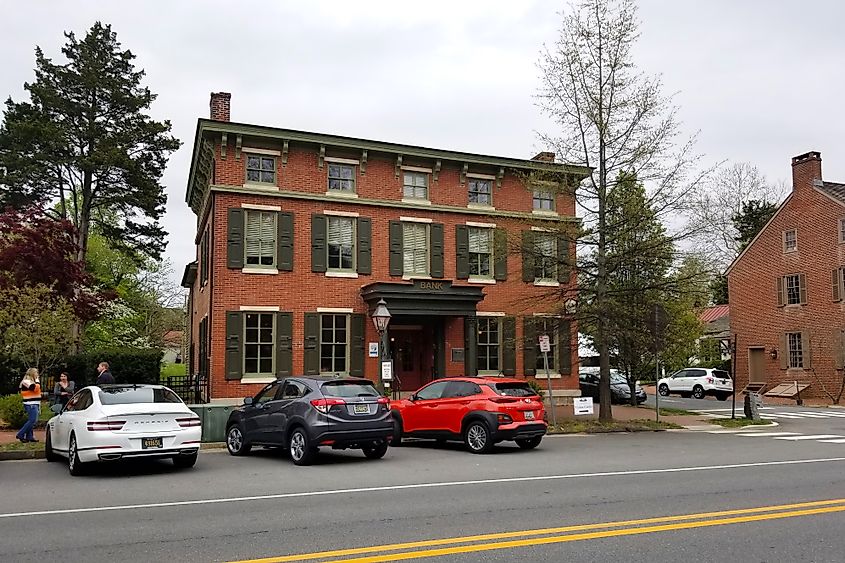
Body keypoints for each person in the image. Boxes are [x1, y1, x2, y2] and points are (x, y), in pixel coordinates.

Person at [16, 368, 41, 443]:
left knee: (32, 420)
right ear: (32, 373)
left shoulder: (31, 382)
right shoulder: (26, 381)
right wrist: (37, 380)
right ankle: (20, 434)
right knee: (32, 420)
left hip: (34, 402)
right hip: (30, 404)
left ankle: (29, 436)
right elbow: (35, 389)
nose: (37, 374)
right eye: (36, 373)